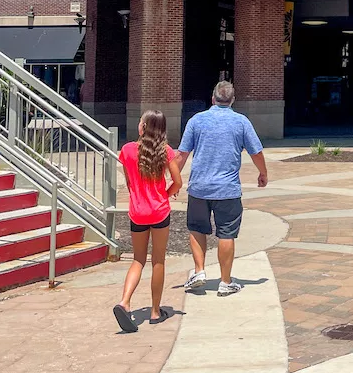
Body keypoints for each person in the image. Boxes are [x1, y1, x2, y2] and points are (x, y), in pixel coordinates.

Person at [175, 79, 267, 296]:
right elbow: (256, 152)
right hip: (228, 189)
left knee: (197, 229)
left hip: (199, 188)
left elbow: (181, 154)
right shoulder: (241, 122)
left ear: (213, 98)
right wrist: (263, 173)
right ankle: (225, 282)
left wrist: (174, 180)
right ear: (232, 100)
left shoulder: (196, 120)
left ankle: (199, 272)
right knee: (227, 233)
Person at [113, 110, 181, 333]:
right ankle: (154, 311)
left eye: (140, 122)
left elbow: (130, 182)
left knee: (138, 260)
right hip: (159, 211)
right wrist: (165, 194)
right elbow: (178, 182)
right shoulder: (166, 151)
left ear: (144, 127)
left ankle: (124, 302)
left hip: (138, 212)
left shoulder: (127, 150)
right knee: (158, 260)